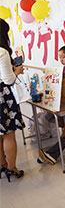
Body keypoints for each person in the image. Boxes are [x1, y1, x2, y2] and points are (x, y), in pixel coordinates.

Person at [0, 18, 25, 182]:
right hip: (2, 97)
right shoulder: (2, 51)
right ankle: (12, 168)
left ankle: (2, 165)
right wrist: (17, 70)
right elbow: (8, 79)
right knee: (9, 134)